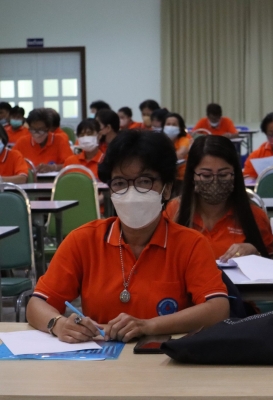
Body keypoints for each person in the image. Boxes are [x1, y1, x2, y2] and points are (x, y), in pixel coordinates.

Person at [26, 130, 229, 343]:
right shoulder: (84, 240)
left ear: (167, 189)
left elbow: (218, 308)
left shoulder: (190, 244)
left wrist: (148, 326)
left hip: (166, 356)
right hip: (100, 355)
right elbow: (37, 304)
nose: (131, 193)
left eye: (144, 181)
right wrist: (58, 324)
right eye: (120, 183)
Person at [167, 135, 273, 261]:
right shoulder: (174, 212)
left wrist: (255, 253)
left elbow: (270, 266)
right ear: (192, 175)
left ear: (235, 174)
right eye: (206, 175)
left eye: (223, 174)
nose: (215, 182)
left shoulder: (255, 216)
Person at [12, 108, 72, 173]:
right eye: (33, 129)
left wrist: (53, 167)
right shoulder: (22, 142)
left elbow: (71, 165)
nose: (37, 133)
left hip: (53, 178)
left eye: (41, 129)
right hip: (28, 178)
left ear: (48, 128)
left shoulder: (60, 140)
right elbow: (11, 163)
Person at [162, 112, 191, 190]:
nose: (170, 127)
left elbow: (181, 154)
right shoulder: (160, 140)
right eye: (168, 124)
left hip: (182, 179)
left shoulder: (183, 140)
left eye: (174, 125)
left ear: (180, 128)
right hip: (165, 177)